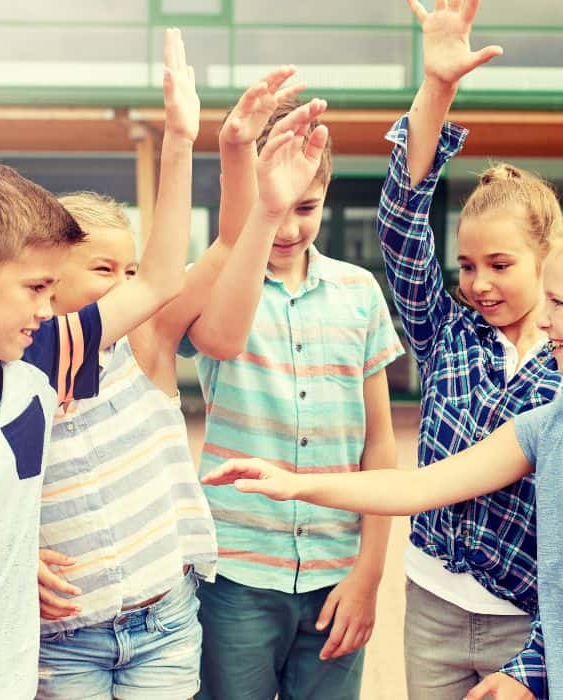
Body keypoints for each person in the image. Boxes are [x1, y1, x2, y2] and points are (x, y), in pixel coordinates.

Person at [202, 204, 563, 700]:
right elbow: (418, 486)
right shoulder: (551, 427)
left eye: (558, 303)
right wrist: (296, 483)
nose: (546, 318)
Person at [32, 74, 328, 700]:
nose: (124, 284)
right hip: (62, 639)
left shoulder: (148, 344)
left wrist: (226, 149)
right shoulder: (18, 369)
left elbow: (227, 241)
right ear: (49, 280)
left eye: (132, 270)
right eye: (102, 269)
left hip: (162, 621)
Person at [0, 27, 199, 699]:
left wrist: (180, 141)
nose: (48, 307)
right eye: (34, 289)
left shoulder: (38, 362)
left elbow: (160, 282)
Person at [379, 0, 563, 696]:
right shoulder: (446, 334)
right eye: (466, 267)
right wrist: (437, 86)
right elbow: (403, 224)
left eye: (500, 264)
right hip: (430, 608)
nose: (479, 284)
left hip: (527, 625)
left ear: (546, 256)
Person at [184, 96, 404, 700]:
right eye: (271, 206)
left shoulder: (360, 294)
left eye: (306, 207)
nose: (287, 227)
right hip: (236, 574)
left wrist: (370, 572)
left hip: (338, 575)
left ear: (326, 188)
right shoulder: (212, 286)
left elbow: (380, 444)